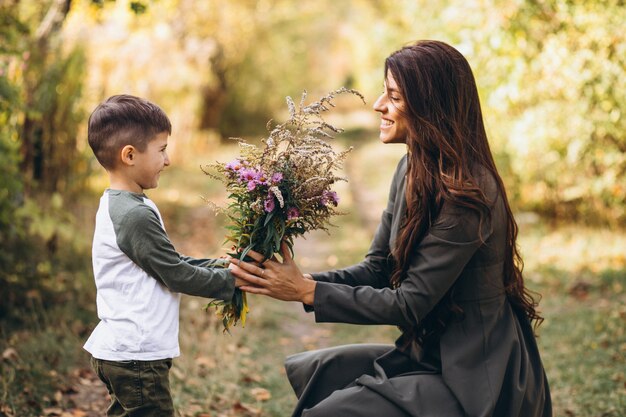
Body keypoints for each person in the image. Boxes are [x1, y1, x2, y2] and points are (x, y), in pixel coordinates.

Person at [230, 40, 552, 417]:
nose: (379, 104)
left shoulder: (468, 193)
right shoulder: (410, 169)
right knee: (322, 371)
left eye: (394, 96)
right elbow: (378, 268)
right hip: (428, 353)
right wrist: (292, 280)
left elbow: (411, 303)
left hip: (477, 376)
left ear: (430, 107)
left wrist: (306, 291)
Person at [84, 94, 242, 416]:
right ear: (129, 155)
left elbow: (171, 261)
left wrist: (226, 265)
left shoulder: (129, 204)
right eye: (161, 150)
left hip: (128, 352)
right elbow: (175, 274)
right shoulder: (133, 215)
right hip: (136, 356)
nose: (167, 160)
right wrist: (233, 280)